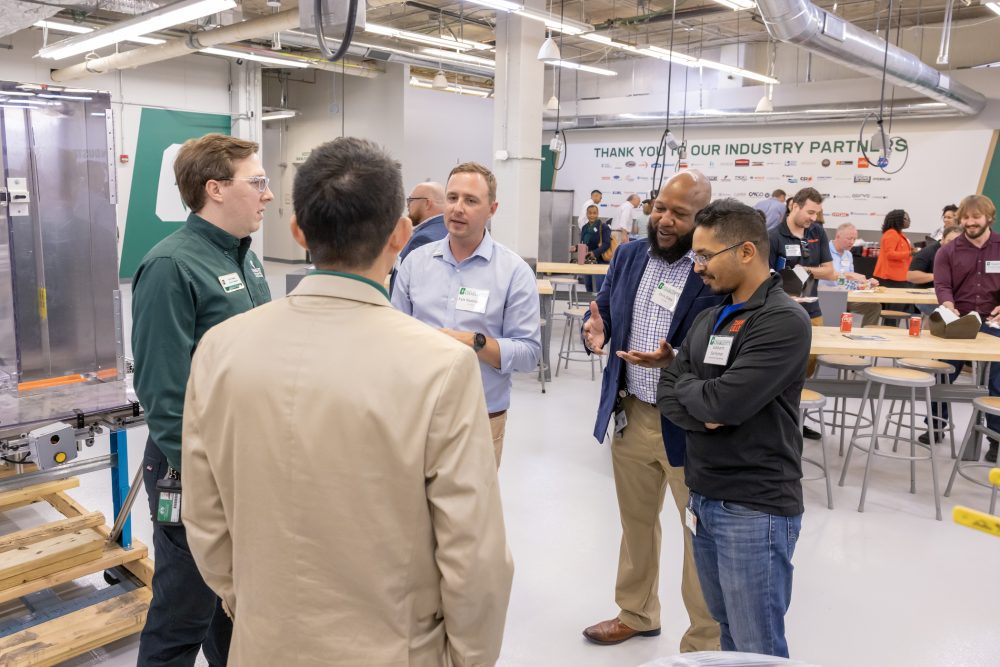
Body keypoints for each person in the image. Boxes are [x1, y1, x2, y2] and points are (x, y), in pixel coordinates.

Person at [182, 137, 513, 666]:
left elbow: (203, 513)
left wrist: (250, 602)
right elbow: (473, 554)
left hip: (262, 643)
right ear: (401, 236)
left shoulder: (220, 348)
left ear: (298, 233)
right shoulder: (439, 368)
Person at [132, 133, 273, 666]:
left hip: (240, 462)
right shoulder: (171, 267)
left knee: (228, 607)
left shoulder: (246, 260)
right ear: (215, 189)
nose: (268, 194)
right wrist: (206, 482)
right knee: (181, 615)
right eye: (256, 181)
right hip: (193, 472)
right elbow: (163, 397)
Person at [658, 198, 811, 659]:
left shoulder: (783, 321)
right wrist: (702, 399)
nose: (698, 267)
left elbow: (724, 401)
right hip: (702, 496)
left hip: (755, 507)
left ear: (746, 252)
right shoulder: (709, 317)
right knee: (726, 634)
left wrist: (703, 394)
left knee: (756, 645)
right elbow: (669, 393)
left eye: (705, 256)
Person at [580, 170, 722, 652]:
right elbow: (603, 308)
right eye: (660, 207)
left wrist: (677, 360)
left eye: (678, 214)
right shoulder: (629, 254)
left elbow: (729, 343)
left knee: (698, 536)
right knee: (636, 524)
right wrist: (594, 329)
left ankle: (704, 644)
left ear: (702, 218)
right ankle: (637, 613)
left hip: (691, 425)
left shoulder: (713, 268)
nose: (663, 219)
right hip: (632, 412)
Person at [393, 162, 541, 467]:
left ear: (492, 209)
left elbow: (529, 353)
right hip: (418, 413)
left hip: (481, 416)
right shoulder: (414, 263)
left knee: (471, 513)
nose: (458, 208)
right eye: (452, 198)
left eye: (471, 201)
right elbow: (394, 334)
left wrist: (473, 342)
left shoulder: (513, 272)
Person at [926, 194, 1000, 463]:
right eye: (966, 218)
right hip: (959, 321)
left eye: (975, 217)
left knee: (998, 381)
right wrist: (947, 304)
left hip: (994, 323)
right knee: (943, 373)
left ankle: (995, 437)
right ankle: (935, 424)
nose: (970, 222)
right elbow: (942, 285)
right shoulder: (948, 251)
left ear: (988, 217)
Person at [768, 187, 834, 437]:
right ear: (793, 205)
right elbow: (765, 276)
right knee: (780, 368)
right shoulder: (774, 236)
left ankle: (796, 419)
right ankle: (778, 422)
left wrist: (803, 269)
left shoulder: (817, 232)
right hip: (781, 313)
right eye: (809, 212)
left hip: (812, 311)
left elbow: (830, 272)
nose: (813, 218)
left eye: (817, 213)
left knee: (805, 369)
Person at [390, 181, 447, 294]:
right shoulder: (447, 231)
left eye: (411, 200)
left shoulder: (423, 239)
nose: (407, 205)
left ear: (427, 203)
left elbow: (414, 291)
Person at [820, 222, 881, 326]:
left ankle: (865, 337)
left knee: (874, 306)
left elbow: (847, 281)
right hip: (826, 295)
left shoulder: (848, 254)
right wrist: (847, 275)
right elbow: (824, 275)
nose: (852, 242)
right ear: (838, 236)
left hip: (846, 296)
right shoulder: (823, 250)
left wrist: (866, 283)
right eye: (849, 239)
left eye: (854, 239)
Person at [909, 224, 962, 293]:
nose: (953, 245)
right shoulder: (928, 252)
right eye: (950, 241)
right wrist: (938, 276)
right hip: (927, 298)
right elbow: (911, 276)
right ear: (943, 239)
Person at [873, 209, 913, 288]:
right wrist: (911, 253)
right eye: (905, 219)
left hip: (899, 276)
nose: (909, 221)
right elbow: (890, 254)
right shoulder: (891, 233)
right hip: (890, 278)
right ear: (897, 220)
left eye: (909, 219)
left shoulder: (899, 234)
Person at [580, 204, 612, 292]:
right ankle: (591, 305)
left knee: (599, 289)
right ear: (586, 214)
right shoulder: (584, 228)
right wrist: (576, 248)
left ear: (597, 214)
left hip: (600, 261)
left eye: (594, 213)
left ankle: (600, 306)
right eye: (590, 213)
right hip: (588, 262)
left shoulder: (603, 227)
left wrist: (594, 253)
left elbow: (607, 244)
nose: (592, 215)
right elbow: (582, 243)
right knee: (589, 287)